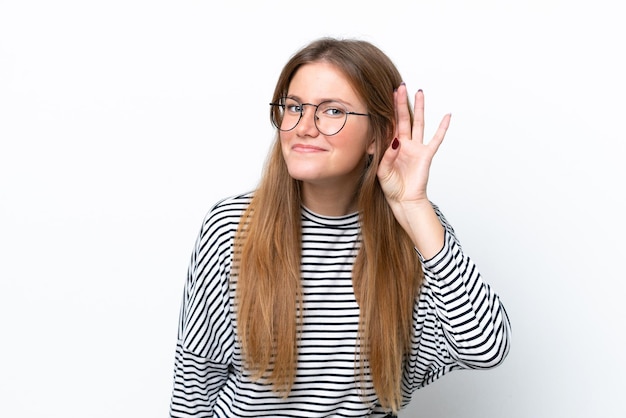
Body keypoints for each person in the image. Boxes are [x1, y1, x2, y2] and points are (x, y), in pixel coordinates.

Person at [169, 37, 511, 418]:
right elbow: (194, 387)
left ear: (378, 136)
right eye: (295, 107)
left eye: (332, 111)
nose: (303, 127)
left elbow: (486, 349)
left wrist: (414, 207)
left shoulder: (416, 229)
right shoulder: (232, 227)